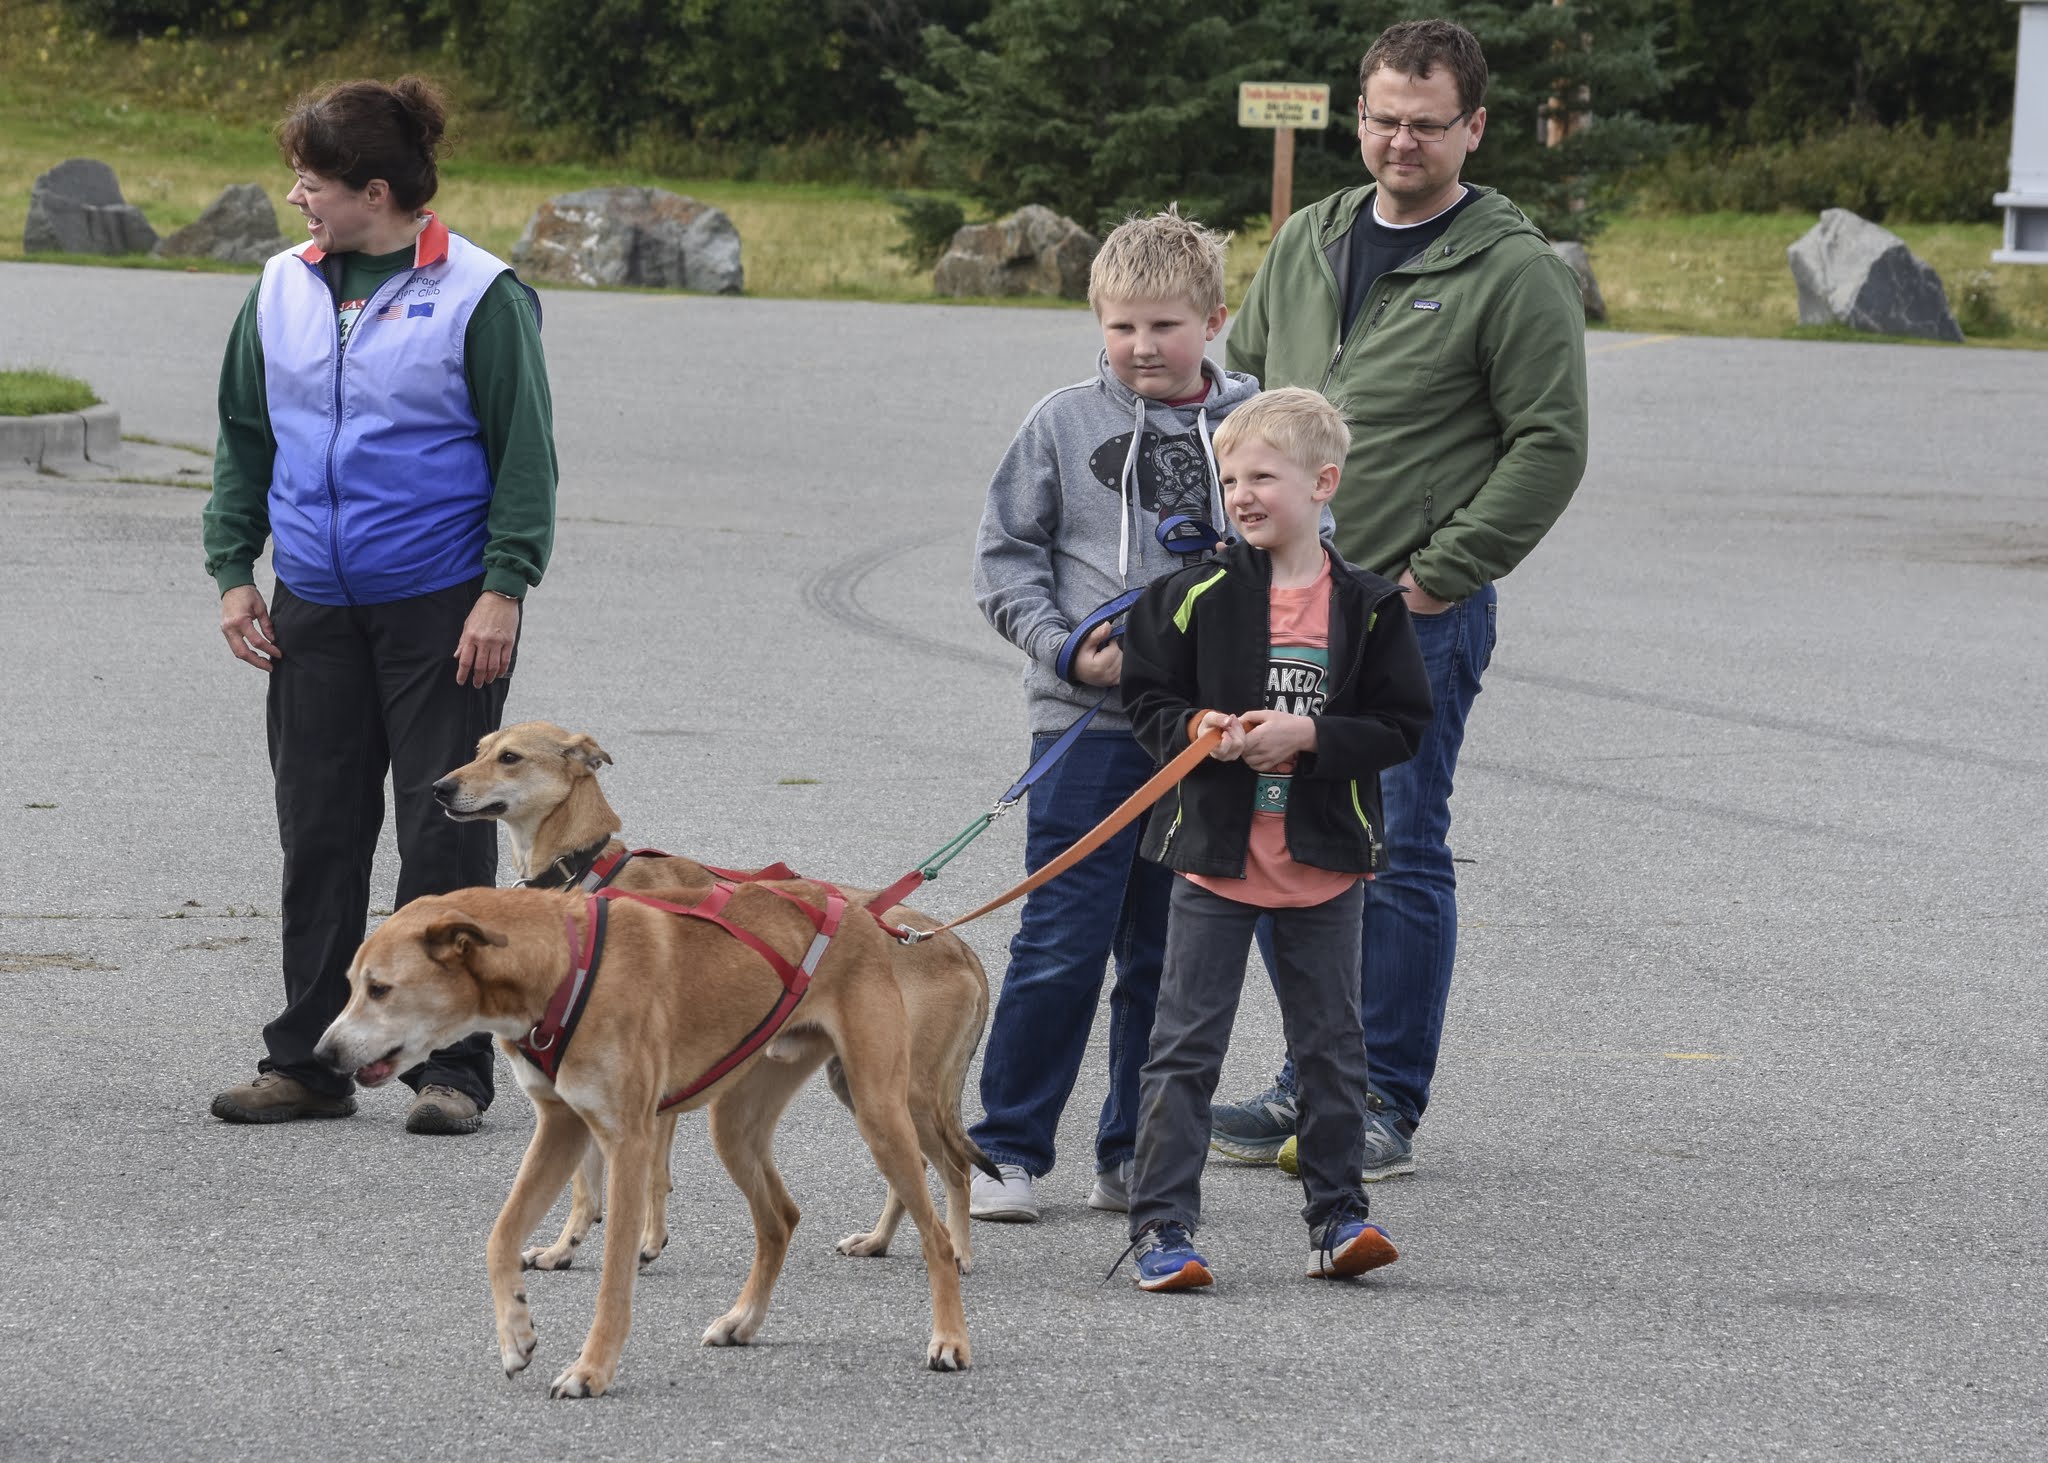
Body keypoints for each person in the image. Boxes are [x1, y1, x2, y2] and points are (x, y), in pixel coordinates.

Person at [1213, 18, 1590, 1178]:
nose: (1398, 142)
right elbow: (1246, 387)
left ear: (1472, 126)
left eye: (1425, 124)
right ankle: (1306, 1081)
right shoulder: (1310, 239)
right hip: (1287, 600)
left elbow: (1548, 443)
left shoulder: (1509, 269)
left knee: (1402, 845)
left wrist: (1439, 574)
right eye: (1380, 117)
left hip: (1410, 613)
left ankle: (1382, 1099)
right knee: (1295, 838)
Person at [202, 76, 557, 1135]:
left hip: (442, 607)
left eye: (311, 181)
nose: (296, 196)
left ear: (374, 188)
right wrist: (234, 568)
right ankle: (307, 1061)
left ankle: (453, 1070)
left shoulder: (483, 294)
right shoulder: (278, 287)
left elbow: (524, 459)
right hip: (312, 600)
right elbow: (243, 438)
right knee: (319, 832)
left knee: (442, 842)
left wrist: (503, 589)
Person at [968, 209, 1260, 1221]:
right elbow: (1003, 559)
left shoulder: (1256, 424)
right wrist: (1063, 644)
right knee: (1059, 938)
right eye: (1123, 325)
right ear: (1096, 318)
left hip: (1202, 737)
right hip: (1084, 726)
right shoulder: (1057, 423)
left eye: (1166, 326)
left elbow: (1307, 545)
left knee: (1168, 951)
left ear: (1213, 321)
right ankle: (1005, 1145)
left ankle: (1134, 1150)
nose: (1142, 346)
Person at [1115, 388, 1432, 1289]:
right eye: (1229, 477)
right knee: (1185, 1048)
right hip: (1215, 864)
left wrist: (1314, 738)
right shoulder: (1197, 593)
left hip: (1324, 868)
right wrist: (1199, 727)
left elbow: (1403, 725)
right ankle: (1164, 1228)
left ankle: (1337, 1219)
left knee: (1332, 1050)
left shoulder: (1371, 606)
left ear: (1323, 482)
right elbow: (1147, 695)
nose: (1241, 492)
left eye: (1263, 475)